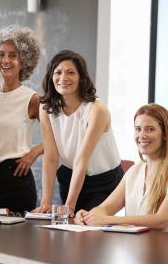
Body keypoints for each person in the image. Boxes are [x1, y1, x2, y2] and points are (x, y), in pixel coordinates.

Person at [34, 50, 123, 216]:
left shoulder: (97, 109)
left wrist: (70, 206)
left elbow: (82, 160)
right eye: (58, 72)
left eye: (71, 72)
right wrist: (45, 202)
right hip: (70, 176)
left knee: (88, 227)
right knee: (68, 230)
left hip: (105, 181)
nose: (63, 78)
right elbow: (51, 158)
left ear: (82, 77)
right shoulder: (46, 108)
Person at [0, 26, 43, 214]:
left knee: (18, 242)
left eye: (13, 55)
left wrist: (33, 153)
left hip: (16, 180)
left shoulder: (33, 99)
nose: (5, 60)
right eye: (1, 54)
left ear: (24, 61)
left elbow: (57, 138)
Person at [75, 103, 168, 229]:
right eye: (138, 129)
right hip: (135, 247)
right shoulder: (134, 172)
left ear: (165, 134)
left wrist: (108, 219)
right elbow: (105, 208)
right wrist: (89, 215)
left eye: (150, 129)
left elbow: (162, 220)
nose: (141, 135)